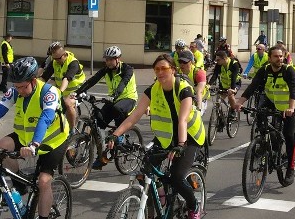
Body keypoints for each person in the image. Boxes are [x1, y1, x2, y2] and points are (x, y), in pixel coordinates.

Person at [0, 57, 69, 219]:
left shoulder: (49, 92)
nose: (18, 90)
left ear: (33, 81)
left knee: (44, 181)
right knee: (2, 145)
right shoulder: (14, 91)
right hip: (26, 137)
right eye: (16, 86)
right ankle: (21, 184)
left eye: (22, 86)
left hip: (53, 140)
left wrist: (34, 144)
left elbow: (46, 118)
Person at [108, 55, 206, 219]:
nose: (160, 72)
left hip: (189, 137)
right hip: (166, 136)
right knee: (147, 168)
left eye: (164, 68)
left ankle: (193, 206)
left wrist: (181, 145)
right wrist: (115, 135)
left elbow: (182, 120)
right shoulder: (153, 90)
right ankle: (163, 200)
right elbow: (134, 116)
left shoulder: (184, 89)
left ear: (173, 70)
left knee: (177, 177)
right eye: (157, 69)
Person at [234, 44, 295, 180]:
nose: (279, 59)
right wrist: (239, 103)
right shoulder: (264, 70)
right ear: (269, 58)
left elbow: (294, 91)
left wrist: (291, 108)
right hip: (272, 102)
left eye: (281, 56)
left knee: (288, 135)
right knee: (260, 119)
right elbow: (252, 87)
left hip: (288, 105)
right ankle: (264, 146)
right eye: (276, 56)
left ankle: (291, 167)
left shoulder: (289, 71)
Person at [73, 45, 138, 169]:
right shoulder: (106, 70)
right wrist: (77, 93)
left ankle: (120, 134)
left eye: (110, 59)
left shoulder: (127, 69)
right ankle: (102, 156)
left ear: (117, 59)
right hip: (113, 99)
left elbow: (123, 83)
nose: (107, 62)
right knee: (98, 121)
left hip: (128, 98)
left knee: (117, 109)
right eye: (106, 59)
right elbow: (92, 81)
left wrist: (115, 95)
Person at [41, 41, 85, 131]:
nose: (56, 61)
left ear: (64, 55)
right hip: (64, 90)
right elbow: (44, 78)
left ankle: (72, 130)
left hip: (78, 90)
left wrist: (59, 92)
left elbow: (66, 79)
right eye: (54, 59)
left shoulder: (73, 63)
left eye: (58, 59)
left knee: (68, 103)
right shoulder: (55, 62)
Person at [177, 50, 208, 115]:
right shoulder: (177, 71)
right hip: (186, 97)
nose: (182, 64)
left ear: (191, 62)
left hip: (199, 99)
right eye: (180, 62)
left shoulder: (198, 73)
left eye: (184, 62)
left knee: (193, 118)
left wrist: (199, 109)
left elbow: (199, 92)